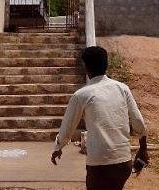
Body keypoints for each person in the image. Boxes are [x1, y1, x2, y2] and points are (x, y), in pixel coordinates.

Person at [51, 46, 149, 190]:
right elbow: (138, 121)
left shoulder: (81, 95)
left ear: (87, 67)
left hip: (99, 164)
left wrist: (58, 147)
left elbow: (68, 126)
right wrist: (143, 149)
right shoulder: (122, 88)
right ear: (106, 64)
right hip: (123, 162)